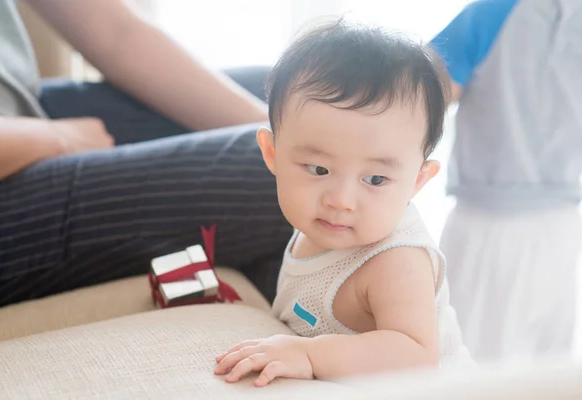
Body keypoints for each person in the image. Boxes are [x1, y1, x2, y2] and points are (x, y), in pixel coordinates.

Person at [0, 0, 294, 310]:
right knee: (277, 176)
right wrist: (62, 138)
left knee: (287, 95)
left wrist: (294, 137)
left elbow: (117, 32)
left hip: (17, 113)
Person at [213, 20, 472, 387]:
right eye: (319, 169)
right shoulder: (324, 222)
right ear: (272, 153)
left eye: (376, 180)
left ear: (418, 180)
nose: (341, 200)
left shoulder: (395, 260)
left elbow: (415, 355)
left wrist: (308, 354)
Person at [430, 0, 582, 362]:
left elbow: (415, 99)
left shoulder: (492, 12)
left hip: (492, 227)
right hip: (553, 227)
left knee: (468, 362)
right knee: (545, 368)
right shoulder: (493, 13)